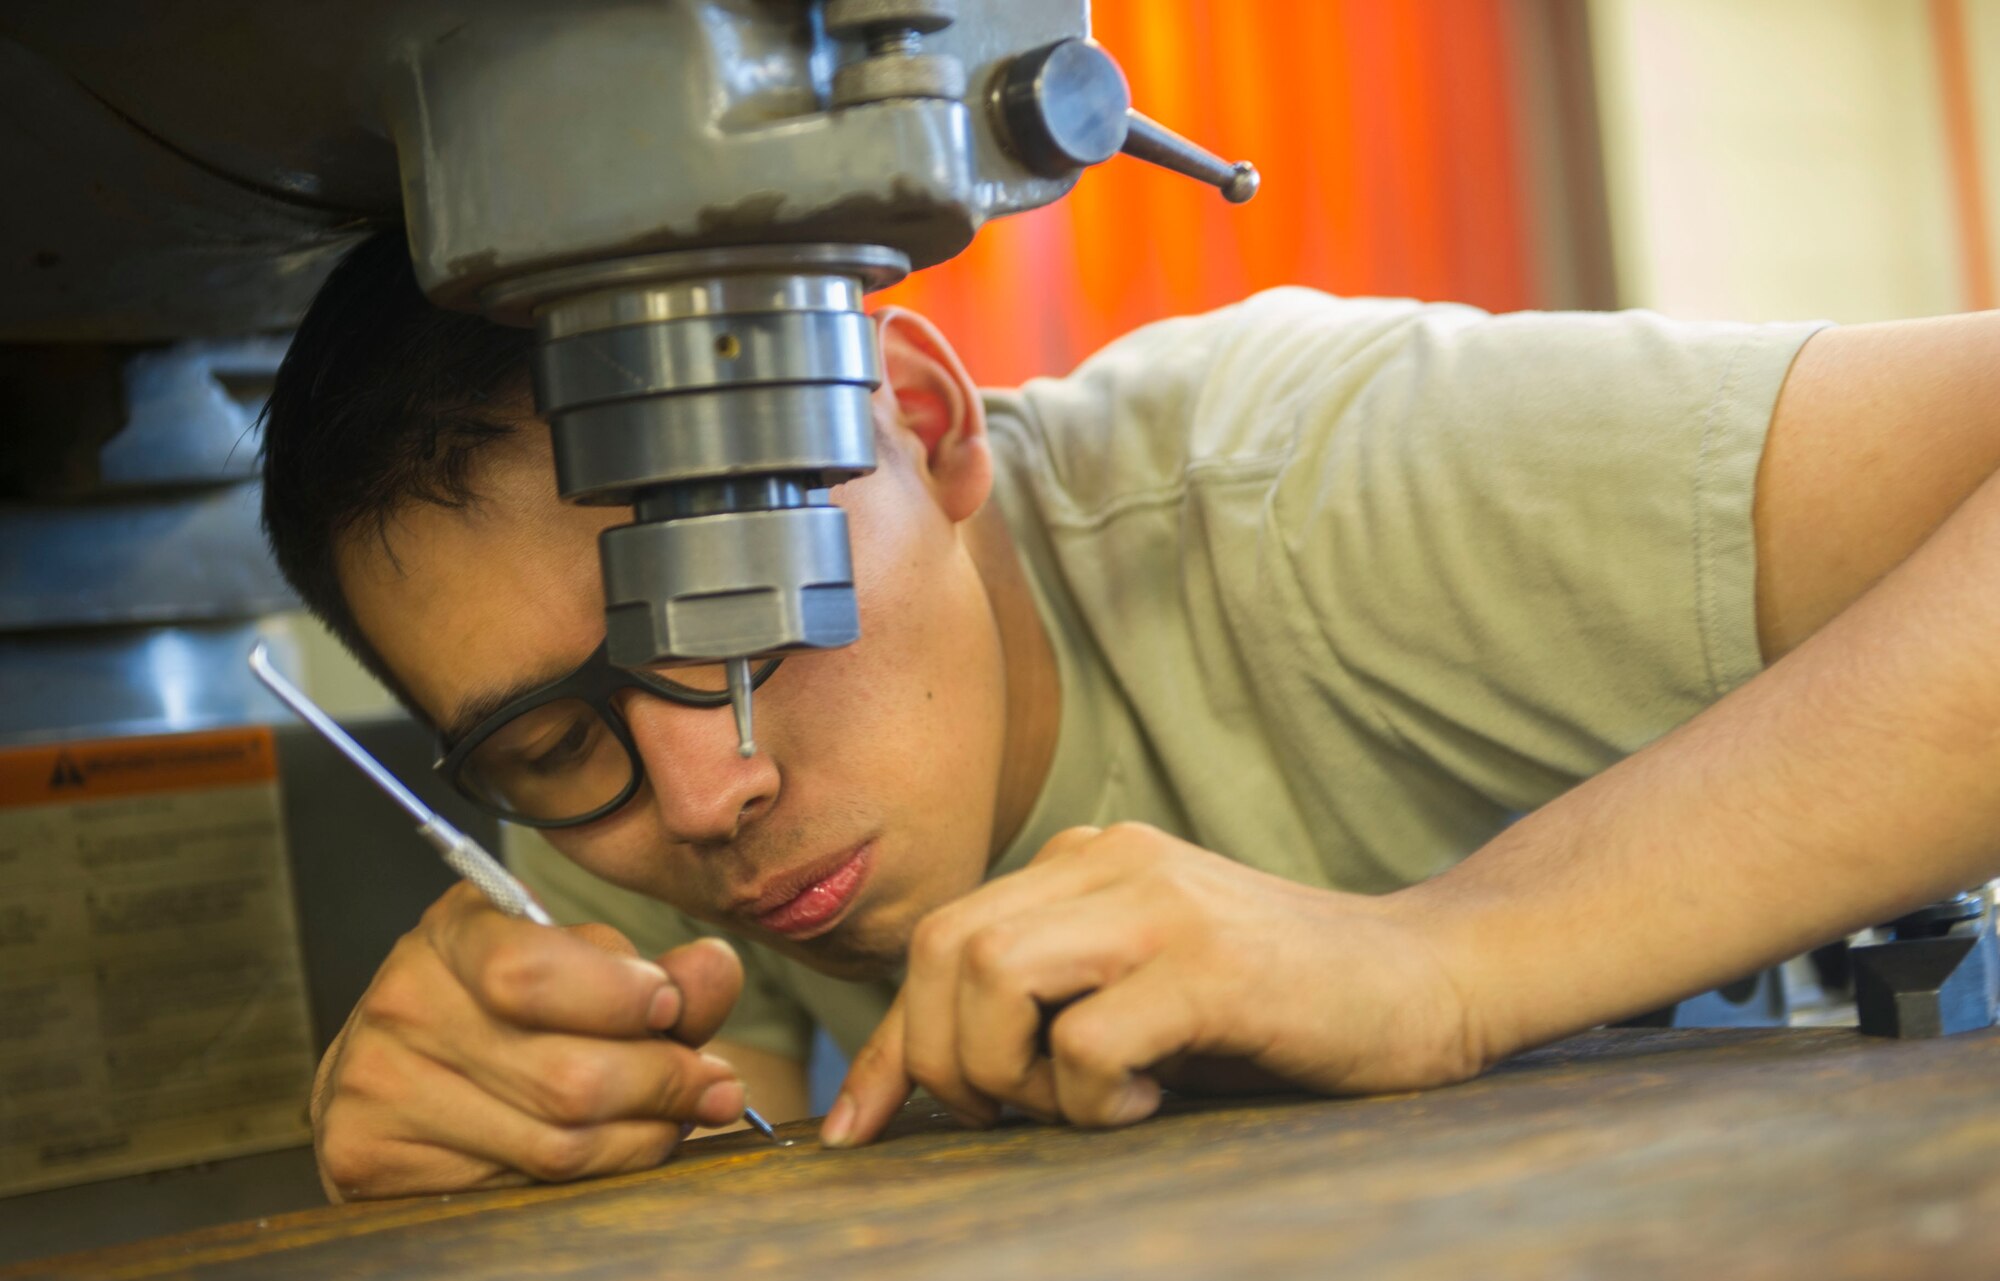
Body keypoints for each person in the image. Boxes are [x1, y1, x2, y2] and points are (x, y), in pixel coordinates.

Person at [261, 230, 2000, 1202]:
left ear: (931, 422)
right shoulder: (618, 810)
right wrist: (490, 1124)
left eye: (748, 615)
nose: (712, 792)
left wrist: (1448, 960)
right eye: (556, 747)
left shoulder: (1316, 492)